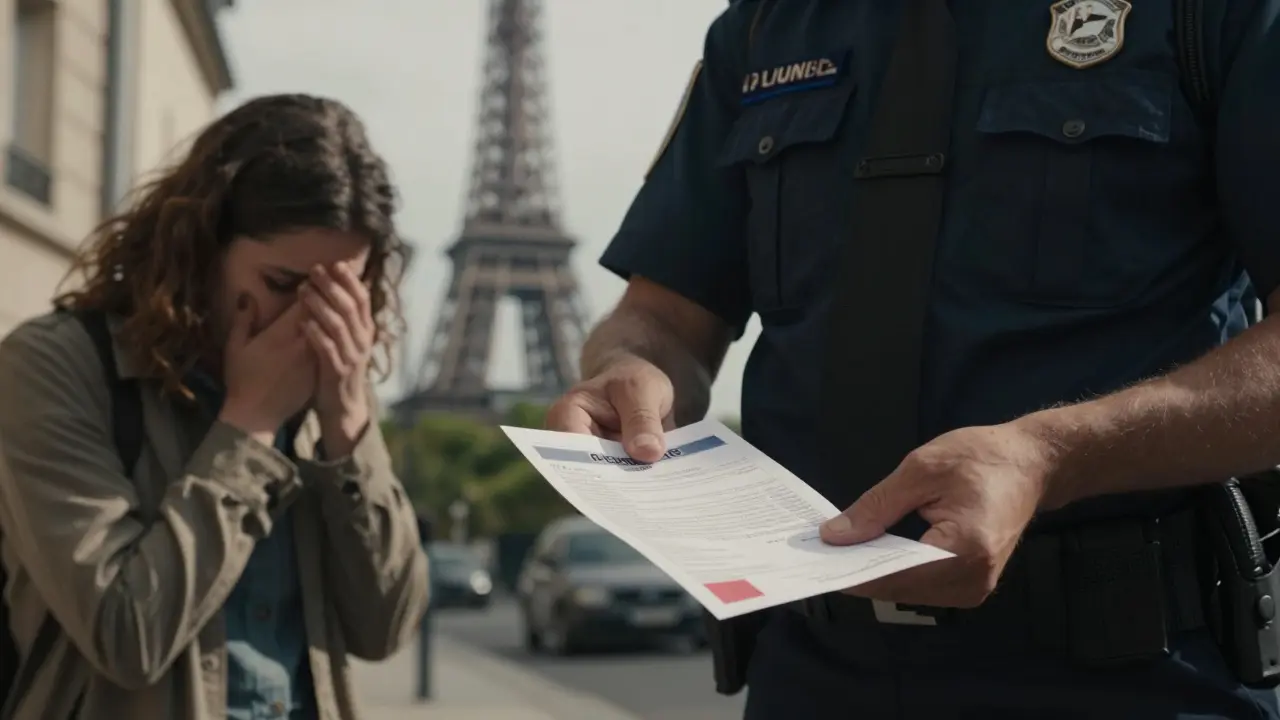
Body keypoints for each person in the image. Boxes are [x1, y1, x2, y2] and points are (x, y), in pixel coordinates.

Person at [546, 1, 1280, 718]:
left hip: (1135, 676)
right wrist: (629, 370)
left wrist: (1052, 455)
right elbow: (662, 318)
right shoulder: (766, 25)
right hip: (811, 671)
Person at [0, 93, 430, 720]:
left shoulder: (325, 392)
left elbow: (386, 629)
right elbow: (127, 636)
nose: (312, 323)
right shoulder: (54, 366)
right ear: (201, 249)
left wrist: (347, 428)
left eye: (342, 292)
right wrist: (249, 425)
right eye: (283, 285)